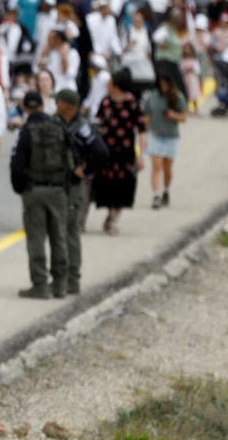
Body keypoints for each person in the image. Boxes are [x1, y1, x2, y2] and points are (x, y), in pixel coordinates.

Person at [10, 92, 70, 299]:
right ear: (43, 106)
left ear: (26, 108)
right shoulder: (59, 128)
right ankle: (61, 284)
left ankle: (40, 284)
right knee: (59, 237)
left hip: (34, 190)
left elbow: (17, 164)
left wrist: (21, 189)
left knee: (36, 239)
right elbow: (71, 156)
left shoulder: (26, 131)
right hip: (58, 190)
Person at [53, 89, 108, 295]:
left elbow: (101, 152)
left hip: (72, 185)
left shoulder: (82, 127)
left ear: (68, 105)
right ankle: (59, 278)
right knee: (58, 232)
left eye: (59, 102)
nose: (56, 105)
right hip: (56, 184)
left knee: (69, 232)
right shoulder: (56, 122)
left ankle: (72, 279)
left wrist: (85, 170)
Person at [92, 69, 148, 235]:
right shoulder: (106, 103)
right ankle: (110, 213)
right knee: (107, 185)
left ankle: (115, 218)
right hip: (106, 152)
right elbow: (98, 125)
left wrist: (141, 154)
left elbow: (142, 131)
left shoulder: (133, 105)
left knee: (123, 186)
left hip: (125, 153)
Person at [142, 72, 188, 209]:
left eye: (165, 84)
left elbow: (184, 117)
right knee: (157, 166)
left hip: (171, 136)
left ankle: (166, 190)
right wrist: (144, 132)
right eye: (161, 85)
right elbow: (148, 116)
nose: (163, 87)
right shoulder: (152, 98)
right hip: (156, 135)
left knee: (167, 168)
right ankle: (156, 195)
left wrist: (174, 115)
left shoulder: (178, 97)